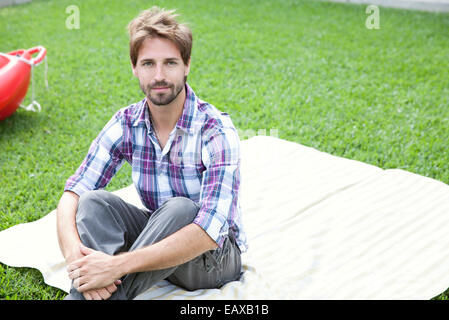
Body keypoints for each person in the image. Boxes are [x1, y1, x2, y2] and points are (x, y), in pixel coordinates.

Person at [56, 6, 247, 300]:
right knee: (94, 203)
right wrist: (74, 258)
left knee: (181, 208)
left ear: (187, 65)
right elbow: (73, 194)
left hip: (214, 258)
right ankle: (92, 288)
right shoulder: (126, 122)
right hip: (161, 239)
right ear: (134, 67)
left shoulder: (215, 130)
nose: (159, 76)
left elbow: (209, 232)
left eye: (170, 63)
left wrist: (115, 266)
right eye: (148, 64)